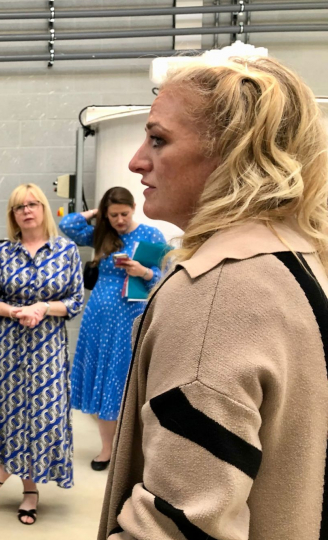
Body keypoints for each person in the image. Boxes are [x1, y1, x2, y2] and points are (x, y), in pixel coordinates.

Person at [99, 57, 328, 540]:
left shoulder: (216, 292)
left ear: (234, 155)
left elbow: (177, 526)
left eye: (158, 140)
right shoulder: (297, 256)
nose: (136, 161)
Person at [0, 183, 85, 525]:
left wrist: (42, 308)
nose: (26, 210)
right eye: (19, 207)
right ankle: (30, 491)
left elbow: (75, 300)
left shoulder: (66, 252)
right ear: (13, 215)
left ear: (43, 209)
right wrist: (13, 312)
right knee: (11, 416)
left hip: (47, 348)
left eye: (33, 204)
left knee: (44, 416)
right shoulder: (4, 253)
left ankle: (0, 474)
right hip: (5, 348)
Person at [59, 187, 166, 471]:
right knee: (105, 379)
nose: (120, 219)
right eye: (113, 214)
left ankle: (132, 450)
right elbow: (67, 224)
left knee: (125, 379)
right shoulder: (103, 234)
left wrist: (141, 271)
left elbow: (163, 276)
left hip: (132, 313)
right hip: (99, 316)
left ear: (134, 207)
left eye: (124, 213)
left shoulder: (151, 236)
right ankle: (107, 448)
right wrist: (96, 212)